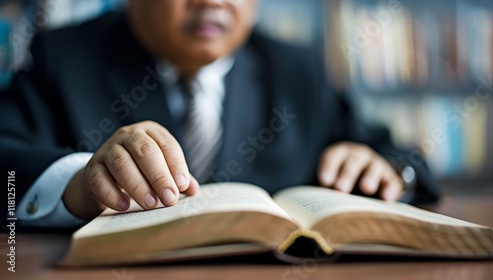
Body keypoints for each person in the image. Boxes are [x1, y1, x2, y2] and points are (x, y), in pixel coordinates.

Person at [0, 0, 439, 229]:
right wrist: (76, 184)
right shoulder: (65, 56)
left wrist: (387, 170)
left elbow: (406, 159)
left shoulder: (297, 69)